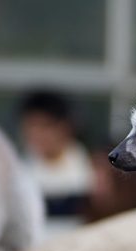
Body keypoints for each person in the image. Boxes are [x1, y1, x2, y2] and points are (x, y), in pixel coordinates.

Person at [19, 91, 94, 220]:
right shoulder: (17, 171)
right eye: (32, 126)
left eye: (45, 126)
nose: (37, 134)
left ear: (65, 126)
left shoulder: (93, 169)